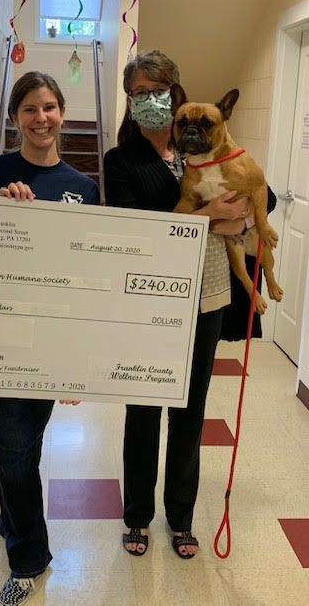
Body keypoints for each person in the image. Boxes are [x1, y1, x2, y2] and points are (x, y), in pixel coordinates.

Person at [104, 50, 258, 559]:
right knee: (144, 409)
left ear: (176, 93)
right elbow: (133, 225)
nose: (151, 100)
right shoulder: (121, 160)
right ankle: (137, 517)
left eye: (159, 90)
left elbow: (264, 196)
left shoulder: (208, 139)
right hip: (149, 298)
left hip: (208, 296)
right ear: (130, 101)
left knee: (191, 410)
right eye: (140, 93)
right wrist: (212, 217)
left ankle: (182, 517)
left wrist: (244, 219)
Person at [0, 70, 99, 605]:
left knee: (26, 442)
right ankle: (30, 559)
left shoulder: (83, 189)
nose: (42, 119)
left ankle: (9, 516)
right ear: (16, 118)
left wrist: (74, 359)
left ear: (62, 112)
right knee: (15, 447)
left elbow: (83, 280)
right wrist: (1, 210)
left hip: (46, 341)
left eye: (50, 107)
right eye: (30, 109)